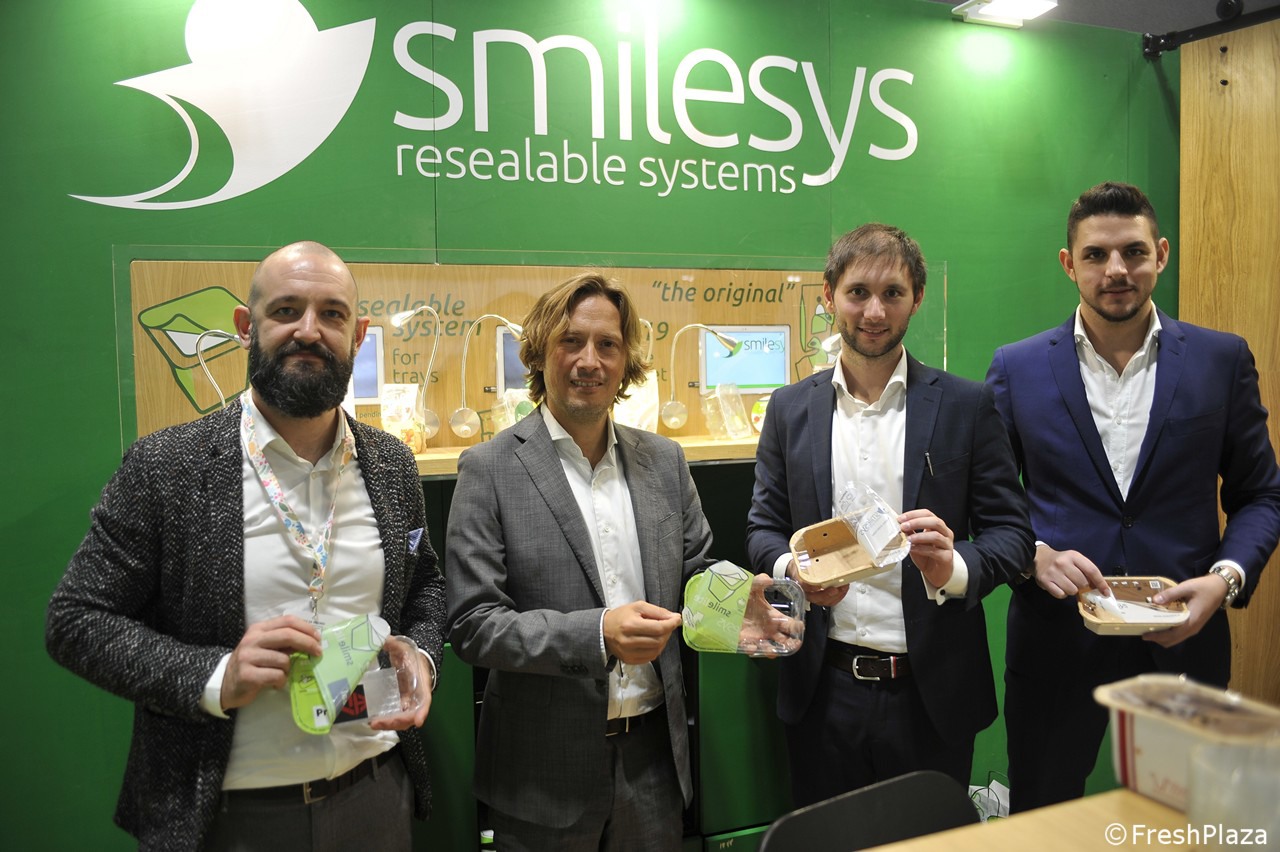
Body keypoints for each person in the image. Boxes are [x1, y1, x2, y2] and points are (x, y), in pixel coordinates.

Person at [46, 241, 447, 851]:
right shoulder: (167, 466)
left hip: (375, 798)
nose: (308, 330)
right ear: (245, 327)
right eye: (286, 310)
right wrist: (217, 675)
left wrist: (421, 654)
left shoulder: (390, 464)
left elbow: (425, 588)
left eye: (332, 314)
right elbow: (75, 620)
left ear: (359, 335)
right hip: (228, 817)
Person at [986, 181, 1280, 813]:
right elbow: (987, 502)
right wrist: (1031, 555)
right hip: (1056, 641)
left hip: (1187, 639)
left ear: (1161, 254)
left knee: (1189, 820)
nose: (1115, 270)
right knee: (1045, 818)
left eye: (1133, 252)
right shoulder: (1016, 368)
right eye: (1095, 255)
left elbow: (1261, 494)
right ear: (1069, 264)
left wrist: (1225, 581)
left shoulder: (1221, 359)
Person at [745, 223, 1034, 808]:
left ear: (917, 298)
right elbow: (762, 527)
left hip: (931, 696)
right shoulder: (789, 408)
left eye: (893, 293)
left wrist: (953, 568)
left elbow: (1013, 535)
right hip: (822, 691)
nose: (874, 311)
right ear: (829, 296)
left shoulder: (967, 405)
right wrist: (793, 571)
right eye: (858, 292)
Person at [445, 272, 715, 851]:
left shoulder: (665, 461)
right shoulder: (488, 469)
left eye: (607, 345)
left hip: (653, 767)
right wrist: (597, 635)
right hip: (541, 777)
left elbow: (698, 574)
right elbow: (473, 624)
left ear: (625, 362)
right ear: (540, 352)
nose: (589, 360)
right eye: (571, 341)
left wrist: (748, 602)